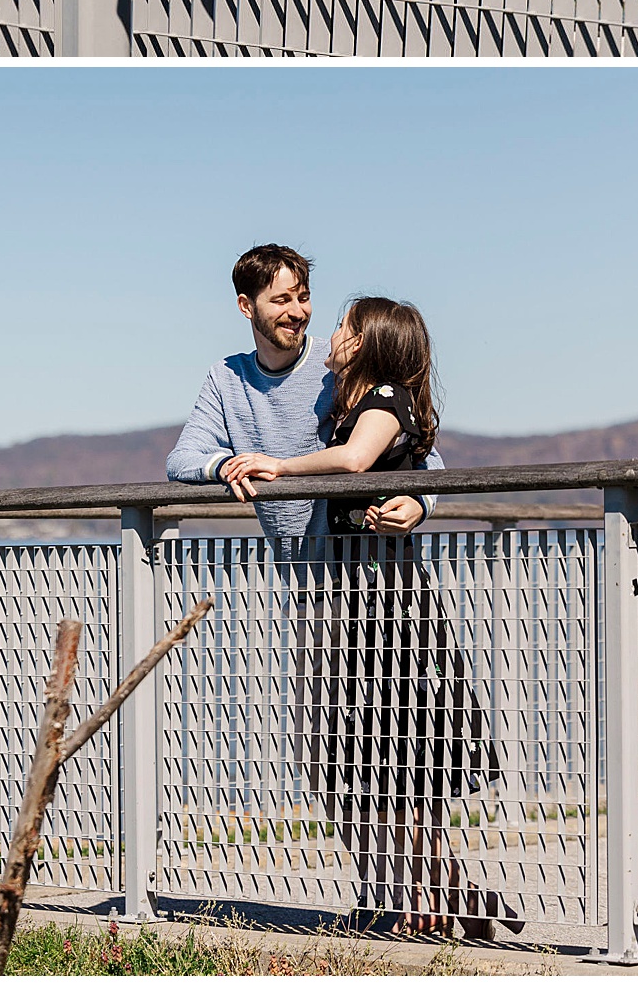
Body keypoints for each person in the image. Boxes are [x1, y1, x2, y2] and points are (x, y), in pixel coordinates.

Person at [222, 296, 511, 941]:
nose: (332, 332)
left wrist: (279, 468)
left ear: (370, 340)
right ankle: (440, 898)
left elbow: (358, 462)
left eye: (346, 325)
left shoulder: (383, 400)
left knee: (405, 765)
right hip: (353, 602)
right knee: (367, 764)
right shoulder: (355, 403)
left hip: (390, 604)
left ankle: (432, 901)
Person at [164, 245, 436, 540]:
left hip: (351, 567)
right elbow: (181, 460)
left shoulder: (342, 365)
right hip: (293, 575)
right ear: (246, 306)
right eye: (281, 300)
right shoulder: (226, 377)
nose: (297, 312)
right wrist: (231, 467)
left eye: (303, 298)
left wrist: (419, 504)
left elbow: (421, 452)